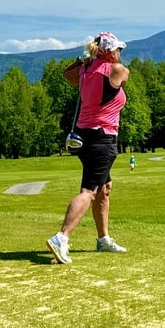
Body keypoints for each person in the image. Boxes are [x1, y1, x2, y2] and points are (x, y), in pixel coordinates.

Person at [47, 31, 129, 264]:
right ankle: (61, 237)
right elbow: (125, 75)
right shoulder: (117, 70)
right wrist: (100, 60)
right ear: (110, 51)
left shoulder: (84, 71)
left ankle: (103, 239)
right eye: (117, 50)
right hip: (102, 138)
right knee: (89, 191)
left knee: (105, 188)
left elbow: (66, 74)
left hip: (84, 136)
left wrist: (83, 60)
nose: (120, 54)